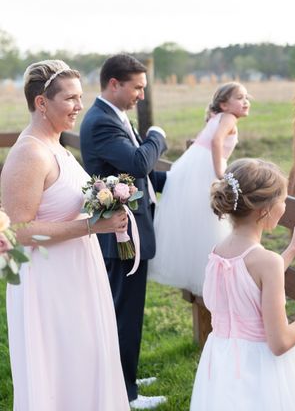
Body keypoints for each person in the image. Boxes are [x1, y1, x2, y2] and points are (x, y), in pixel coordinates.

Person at [1, 60, 129, 409]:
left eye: (80, 97)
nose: (79, 106)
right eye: (70, 98)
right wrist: (92, 225)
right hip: (49, 283)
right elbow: (18, 231)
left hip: (77, 274)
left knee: (86, 364)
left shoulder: (57, 145)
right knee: (63, 369)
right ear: (41, 103)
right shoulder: (29, 153)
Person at [190, 158, 295, 410]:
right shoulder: (266, 262)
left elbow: (250, 286)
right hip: (261, 370)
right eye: (282, 201)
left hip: (223, 365)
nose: (284, 207)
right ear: (264, 209)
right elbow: (280, 343)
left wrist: (291, 250)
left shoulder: (218, 253)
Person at [80, 54, 168, 409]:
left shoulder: (114, 117)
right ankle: (126, 394)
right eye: (137, 88)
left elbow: (137, 176)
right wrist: (157, 137)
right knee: (123, 314)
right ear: (114, 84)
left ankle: (124, 373)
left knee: (124, 311)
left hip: (127, 231)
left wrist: (179, 180)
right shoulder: (102, 121)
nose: (141, 96)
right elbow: (137, 162)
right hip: (121, 235)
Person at [150, 82, 250, 295]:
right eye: (240, 98)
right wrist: (219, 172)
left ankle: (202, 270)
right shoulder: (229, 118)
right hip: (206, 168)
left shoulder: (217, 117)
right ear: (224, 104)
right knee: (210, 219)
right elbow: (216, 142)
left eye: (246, 97)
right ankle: (214, 275)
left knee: (200, 219)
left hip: (193, 166)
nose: (246, 101)